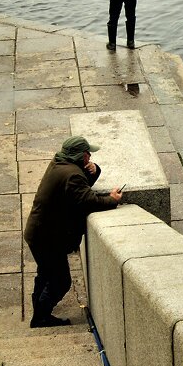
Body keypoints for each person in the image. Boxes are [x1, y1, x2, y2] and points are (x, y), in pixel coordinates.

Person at [23, 136, 123, 327]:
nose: (90, 156)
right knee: (61, 280)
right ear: (81, 155)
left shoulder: (59, 164)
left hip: (38, 232)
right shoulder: (72, 174)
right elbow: (88, 201)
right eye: (88, 153)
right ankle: (41, 317)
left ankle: (38, 308)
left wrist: (95, 170)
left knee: (45, 273)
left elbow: (76, 191)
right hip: (48, 238)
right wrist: (112, 199)